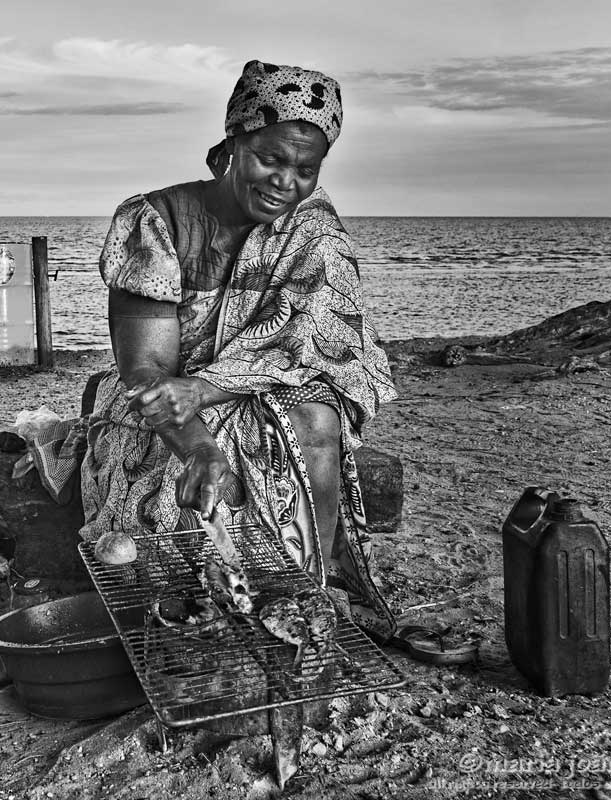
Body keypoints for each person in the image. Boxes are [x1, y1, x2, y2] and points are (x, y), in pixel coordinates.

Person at [79, 59, 399, 640]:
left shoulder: (314, 231)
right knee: (172, 481)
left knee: (315, 420)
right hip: (163, 397)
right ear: (233, 143)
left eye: (305, 168)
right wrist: (200, 446)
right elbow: (147, 369)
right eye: (270, 158)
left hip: (264, 386)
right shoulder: (158, 220)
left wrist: (211, 387)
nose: (285, 182)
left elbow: (314, 342)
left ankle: (306, 595)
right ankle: (196, 607)